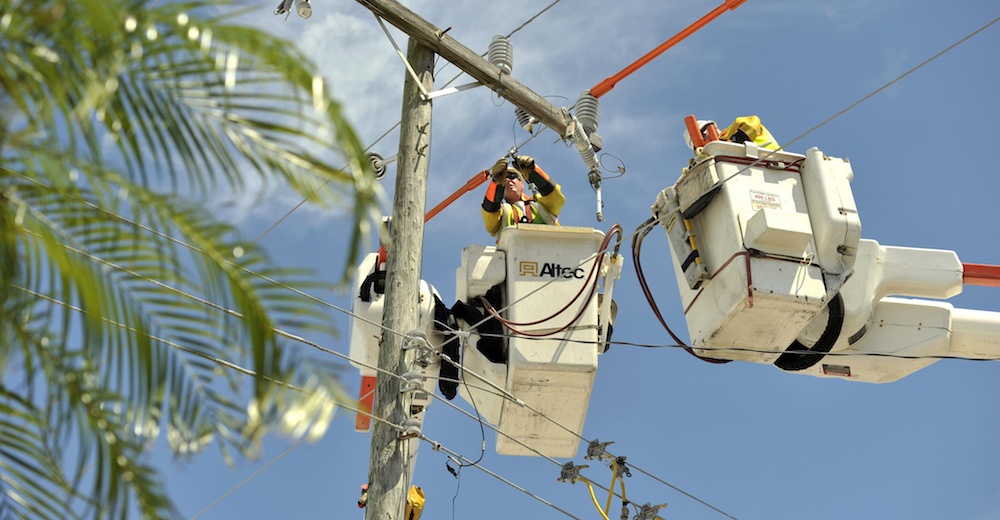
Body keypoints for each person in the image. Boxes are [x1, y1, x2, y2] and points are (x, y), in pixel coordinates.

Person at [481, 155, 565, 238]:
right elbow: (490, 215)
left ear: (521, 184)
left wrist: (533, 172)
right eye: (504, 179)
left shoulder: (540, 203)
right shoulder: (500, 214)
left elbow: (555, 197)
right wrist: (496, 184)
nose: (507, 181)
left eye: (512, 177)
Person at [684, 116, 779, 151]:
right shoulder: (707, 156)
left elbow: (752, 123)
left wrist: (738, 138)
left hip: (772, 158)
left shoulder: (733, 130)